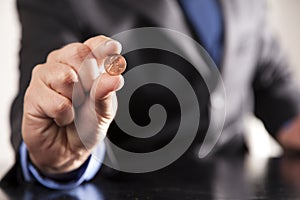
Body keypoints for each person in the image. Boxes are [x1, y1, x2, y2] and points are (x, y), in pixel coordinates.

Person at [2, 0, 300, 190]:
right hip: (130, 188)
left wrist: (292, 120)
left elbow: (269, 74)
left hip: (239, 184)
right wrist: (59, 159)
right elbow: (43, 85)